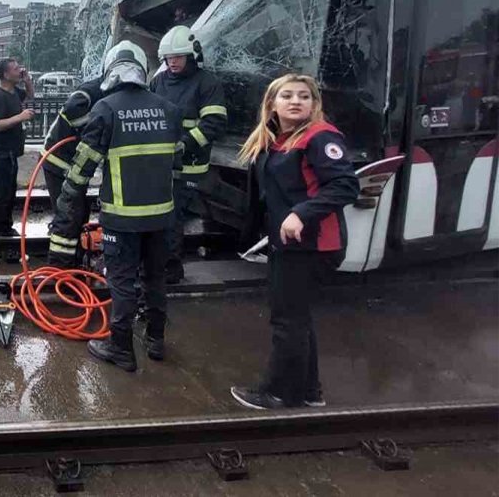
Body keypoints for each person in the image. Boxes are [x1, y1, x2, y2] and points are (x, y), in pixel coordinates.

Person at [47, 41, 181, 372]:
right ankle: (156, 341)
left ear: (110, 70)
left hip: (122, 217)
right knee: (155, 279)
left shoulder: (106, 109)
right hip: (163, 215)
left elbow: (82, 169)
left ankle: (120, 347)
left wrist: (67, 207)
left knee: (121, 282)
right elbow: (175, 162)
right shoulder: (169, 109)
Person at [230, 74, 358, 410]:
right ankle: (309, 391)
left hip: (311, 245)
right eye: (287, 95)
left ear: (315, 105)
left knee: (287, 320)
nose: (295, 101)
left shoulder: (320, 137)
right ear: (272, 103)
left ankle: (279, 393)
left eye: (304, 96)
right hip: (287, 243)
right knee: (297, 318)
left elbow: (345, 185)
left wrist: (302, 213)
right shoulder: (276, 139)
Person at [150, 26, 227, 283]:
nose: (172, 61)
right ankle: (156, 265)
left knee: (172, 219)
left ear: (191, 56)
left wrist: (184, 145)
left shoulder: (207, 83)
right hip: (160, 164)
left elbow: (214, 123)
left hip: (188, 166)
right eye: (169, 57)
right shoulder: (158, 81)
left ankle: (171, 270)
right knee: (157, 216)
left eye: (178, 57)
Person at [41, 72, 107, 255]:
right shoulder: (91, 91)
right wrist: (92, 128)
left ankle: (77, 253)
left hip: (75, 164)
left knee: (79, 211)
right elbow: (71, 110)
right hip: (58, 162)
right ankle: (64, 261)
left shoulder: (105, 91)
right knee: (69, 213)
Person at [0, 57, 35, 237]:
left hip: (11, 152)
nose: (19, 70)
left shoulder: (13, 91)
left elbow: (30, 95)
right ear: (6, 74)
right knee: (1, 194)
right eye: (15, 69)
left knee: (10, 192)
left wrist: (27, 80)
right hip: (0, 154)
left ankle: (5, 227)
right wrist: (20, 117)